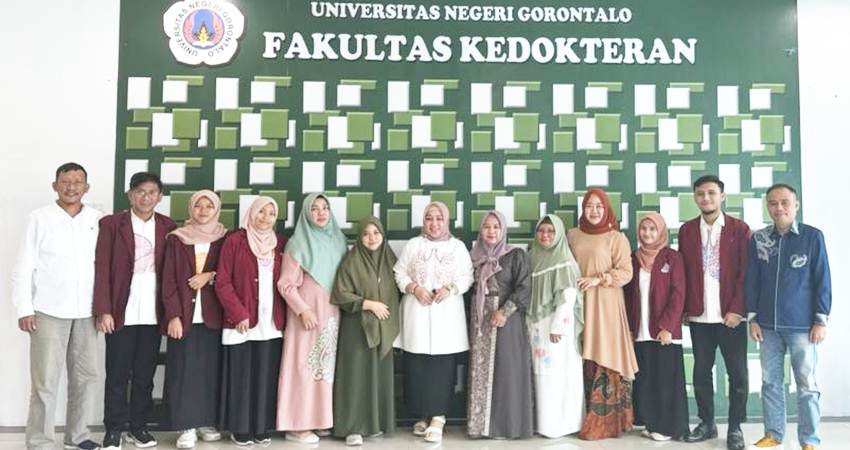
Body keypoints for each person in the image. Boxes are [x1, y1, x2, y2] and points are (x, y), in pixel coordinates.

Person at [11, 163, 103, 450]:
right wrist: (24, 308)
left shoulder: (98, 219)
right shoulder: (39, 218)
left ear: (87, 187)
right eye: (66, 181)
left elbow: (105, 267)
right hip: (48, 310)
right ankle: (40, 441)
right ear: (55, 186)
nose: (72, 187)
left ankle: (77, 437)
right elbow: (23, 266)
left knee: (85, 378)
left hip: (88, 312)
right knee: (45, 382)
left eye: (78, 182)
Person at [94, 171, 176, 450]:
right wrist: (104, 309)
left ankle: (138, 427)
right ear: (130, 194)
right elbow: (102, 268)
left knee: (144, 375)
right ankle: (114, 429)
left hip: (153, 313)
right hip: (120, 311)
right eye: (140, 191)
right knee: (117, 374)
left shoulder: (167, 226)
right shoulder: (111, 224)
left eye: (152, 192)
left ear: (160, 197)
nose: (146, 197)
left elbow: (173, 272)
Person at [746, 184, 831, 450]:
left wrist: (820, 319)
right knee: (770, 382)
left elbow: (822, 279)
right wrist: (753, 317)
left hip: (802, 326)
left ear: (796, 205)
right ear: (767, 206)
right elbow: (752, 280)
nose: (779, 207)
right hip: (767, 326)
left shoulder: (812, 237)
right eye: (773, 203)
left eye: (784, 202)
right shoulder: (759, 239)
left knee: (806, 384)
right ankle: (774, 434)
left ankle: (809, 440)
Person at [679, 175, 751, 450]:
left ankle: (735, 427)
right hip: (699, 316)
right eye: (700, 194)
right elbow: (683, 273)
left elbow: (746, 274)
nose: (706, 198)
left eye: (711, 193)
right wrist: (685, 308)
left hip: (729, 316)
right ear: (695, 198)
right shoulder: (686, 231)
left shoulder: (739, 229)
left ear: (722, 196)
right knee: (700, 372)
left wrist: (737, 309)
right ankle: (707, 423)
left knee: (738, 374)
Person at [393, 201, 474, 443]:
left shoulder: (457, 246)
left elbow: (468, 276)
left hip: (446, 315)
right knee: (417, 365)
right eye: (430, 218)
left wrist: (450, 289)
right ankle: (422, 415)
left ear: (446, 221)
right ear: (424, 221)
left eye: (439, 218)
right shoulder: (414, 245)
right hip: (416, 312)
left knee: (442, 367)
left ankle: (438, 418)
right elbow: (399, 272)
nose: (434, 223)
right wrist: (414, 288)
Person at [567, 188, 638, 440]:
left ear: (606, 208)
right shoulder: (572, 235)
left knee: (605, 354)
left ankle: (607, 423)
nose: (594, 211)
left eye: (599, 206)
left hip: (606, 303)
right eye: (589, 206)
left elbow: (626, 272)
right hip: (577, 303)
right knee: (580, 355)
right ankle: (581, 417)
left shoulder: (615, 237)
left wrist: (599, 280)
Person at [215, 196, 286, 446]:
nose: (265, 218)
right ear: (251, 213)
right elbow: (222, 281)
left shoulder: (280, 244)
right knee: (242, 376)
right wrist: (239, 313)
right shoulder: (235, 241)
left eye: (271, 214)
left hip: (272, 322)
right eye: (261, 212)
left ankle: (261, 425)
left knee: (266, 375)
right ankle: (241, 427)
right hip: (242, 322)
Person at [277, 193, 347, 444]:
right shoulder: (298, 243)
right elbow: (285, 284)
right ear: (306, 213)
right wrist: (302, 310)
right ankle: (296, 426)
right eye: (314, 208)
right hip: (305, 315)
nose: (320, 212)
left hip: (331, 314)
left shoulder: (338, 240)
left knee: (324, 368)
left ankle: (318, 420)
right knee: (301, 367)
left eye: (325, 208)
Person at [161, 190, 228, 448]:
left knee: (211, 370)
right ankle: (186, 425)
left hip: (214, 316)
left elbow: (231, 271)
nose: (202, 211)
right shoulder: (177, 239)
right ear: (191, 209)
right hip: (184, 317)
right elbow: (167, 282)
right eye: (198, 206)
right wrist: (173, 316)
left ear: (216, 210)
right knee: (183, 371)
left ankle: (206, 420)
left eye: (208, 206)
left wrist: (210, 275)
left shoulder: (225, 238)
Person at [331, 217, 400, 446]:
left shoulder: (391, 260)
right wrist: (369, 304)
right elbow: (341, 293)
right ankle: (352, 428)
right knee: (355, 377)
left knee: (377, 376)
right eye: (366, 234)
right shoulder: (351, 261)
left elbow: (400, 288)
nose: (372, 238)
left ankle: (374, 424)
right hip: (357, 328)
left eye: (376, 233)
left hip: (383, 327)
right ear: (359, 238)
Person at [467, 211, 534, 439]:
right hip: (479, 322)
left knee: (507, 372)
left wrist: (504, 312)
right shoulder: (474, 256)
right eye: (487, 226)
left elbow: (524, 287)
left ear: (503, 229)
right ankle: (480, 427)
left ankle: (506, 427)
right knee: (482, 372)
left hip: (507, 321)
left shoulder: (515, 255)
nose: (491, 231)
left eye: (496, 227)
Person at [624, 213, 689, 441]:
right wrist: (630, 327)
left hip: (664, 331)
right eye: (644, 229)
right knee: (647, 378)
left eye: (653, 229)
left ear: (661, 232)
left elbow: (678, 294)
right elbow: (628, 296)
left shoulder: (673, 258)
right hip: (641, 330)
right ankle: (652, 423)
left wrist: (668, 326)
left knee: (666, 380)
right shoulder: (633, 258)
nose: (647, 233)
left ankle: (668, 427)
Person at [527, 214, 584, 438]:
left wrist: (557, 327)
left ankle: (563, 424)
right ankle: (542, 423)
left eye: (551, 231)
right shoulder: (532, 257)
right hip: (536, 327)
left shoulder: (565, 260)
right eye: (541, 231)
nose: (545, 236)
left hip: (557, 328)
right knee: (540, 373)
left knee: (558, 373)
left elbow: (568, 297)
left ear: (559, 234)